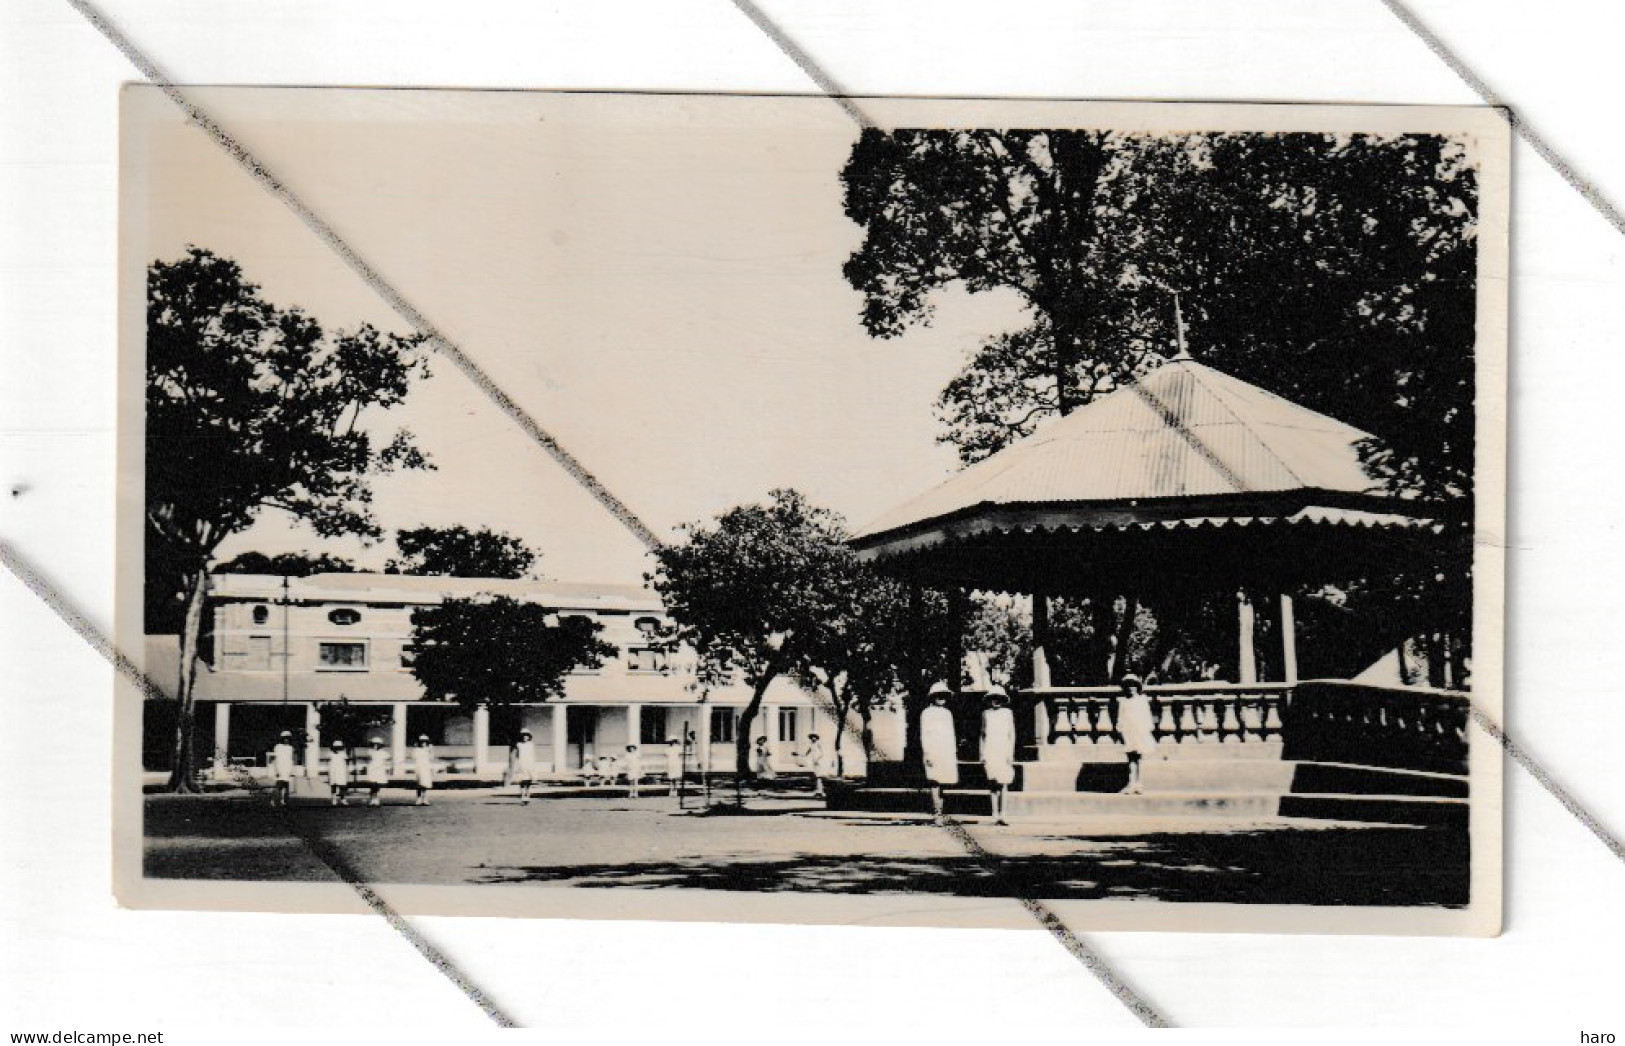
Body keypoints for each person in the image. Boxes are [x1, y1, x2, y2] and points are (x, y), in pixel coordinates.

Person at [1115, 674, 1159, 795]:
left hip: (1139, 732)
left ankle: (1139, 784)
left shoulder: (1142, 700)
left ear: (1137, 687)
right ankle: (1131, 783)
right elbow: (1121, 717)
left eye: (1133, 685)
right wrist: (1121, 731)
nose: (1131, 688)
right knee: (1131, 759)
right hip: (1129, 732)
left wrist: (1146, 731)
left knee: (1139, 758)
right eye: (1128, 686)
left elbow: (1147, 716)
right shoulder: (1123, 702)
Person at [920, 681, 958, 816]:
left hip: (946, 750)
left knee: (943, 781)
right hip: (933, 749)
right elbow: (924, 734)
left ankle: (941, 811)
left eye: (943, 696)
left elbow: (951, 734)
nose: (941, 699)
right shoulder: (927, 713)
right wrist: (927, 753)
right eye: (938, 696)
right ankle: (937, 813)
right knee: (934, 781)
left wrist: (953, 752)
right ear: (933, 697)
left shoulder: (948, 713)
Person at [980, 687, 1017, 825]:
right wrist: (982, 753)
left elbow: (1011, 734)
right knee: (993, 783)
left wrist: (1010, 753)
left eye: (999, 698)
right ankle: (994, 814)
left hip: (1003, 748)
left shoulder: (1007, 713)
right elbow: (983, 735)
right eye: (993, 698)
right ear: (989, 700)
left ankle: (1003, 814)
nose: (996, 701)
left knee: (1004, 783)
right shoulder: (986, 714)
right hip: (991, 748)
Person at [795, 732, 828, 798]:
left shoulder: (818, 744)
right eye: (812, 737)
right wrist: (797, 754)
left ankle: (820, 791)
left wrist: (818, 759)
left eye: (814, 737)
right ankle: (819, 791)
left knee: (819, 777)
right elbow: (806, 754)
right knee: (817, 777)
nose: (813, 738)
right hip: (814, 762)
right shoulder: (811, 745)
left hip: (819, 762)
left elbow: (822, 753)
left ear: (816, 738)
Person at [509, 730, 537, 805]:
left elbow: (532, 755)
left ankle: (527, 796)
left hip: (529, 764)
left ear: (529, 737)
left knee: (528, 782)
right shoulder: (519, 745)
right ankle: (522, 796)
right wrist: (517, 763)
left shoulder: (531, 745)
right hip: (521, 763)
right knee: (521, 781)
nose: (525, 737)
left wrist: (533, 764)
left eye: (526, 735)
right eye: (523, 736)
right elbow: (517, 755)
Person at [270, 730, 296, 807]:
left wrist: (291, 770)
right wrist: (276, 770)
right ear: (282, 739)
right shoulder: (278, 747)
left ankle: (283, 801)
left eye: (288, 738)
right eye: (285, 738)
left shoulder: (291, 748)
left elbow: (291, 760)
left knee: (286, 786)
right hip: (279, 768)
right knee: (278, 786)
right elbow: (275, 759)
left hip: (287, 769)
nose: (286, 740)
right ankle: (273, 800)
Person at [364, 736, 390, 807]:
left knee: (378, 785)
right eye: (374, 744)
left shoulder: (384, 753)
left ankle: (376, 799)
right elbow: (368, 759)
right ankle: (372, 799)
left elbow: (387, 760)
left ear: (380, 745)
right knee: (372, 785)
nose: (375, 746)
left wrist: (386, 768)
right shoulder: (370, 752)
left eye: (377, 744)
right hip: (372, 770)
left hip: (379, 771)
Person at [412, 734, 436, 806]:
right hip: (419, 767)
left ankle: (425, 798)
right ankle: (418, 798)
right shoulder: (416, 749)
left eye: (425, 741)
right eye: (421, 741)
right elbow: (413, 757)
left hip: (426, 767)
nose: (423, 743)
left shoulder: (428, 749)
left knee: (425, 783)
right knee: (419, 784)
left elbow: (432, 758)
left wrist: (431, 750)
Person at [327, 738, 351, 806]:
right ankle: (334, 799)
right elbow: (328, 762)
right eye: (336, 747)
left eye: (339, 747)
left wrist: (346, 770)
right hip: (333, 771)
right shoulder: (330, 754)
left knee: (342, 786)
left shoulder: (343, 754)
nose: (337, 749)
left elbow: (346, 761)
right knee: (333, 785)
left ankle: (343, 799)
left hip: (341, 771)